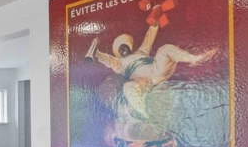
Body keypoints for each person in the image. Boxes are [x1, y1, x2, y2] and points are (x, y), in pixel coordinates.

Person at [85, 11, 217, 120]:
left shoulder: (141, 52)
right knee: (129, 87)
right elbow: (107, 60)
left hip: (157, 70)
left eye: (125, 46)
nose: (124, 50)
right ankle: (143, 113)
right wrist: (96, 52)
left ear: (129, 46)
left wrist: (155, 19)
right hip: (142, 80)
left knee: (164, 49)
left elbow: (149, 37)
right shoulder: (119, 63)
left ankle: (194, 58)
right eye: (121, 49)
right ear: (118, 53)